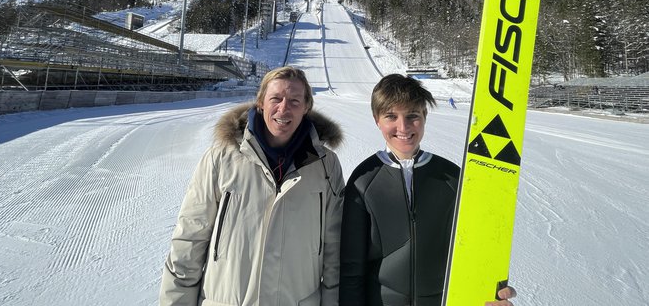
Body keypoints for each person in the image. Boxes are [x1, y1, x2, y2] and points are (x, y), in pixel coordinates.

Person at [159, 66, 345, 306]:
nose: (283, 108)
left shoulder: (326, 166)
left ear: (307, 107)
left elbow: (334, 248)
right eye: (275, 99)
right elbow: (190, 238)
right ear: (261, 103)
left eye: (295, 101)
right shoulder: (221, 158)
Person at [339, 74, 517, 306]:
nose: (403, 127)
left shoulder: (452, 178)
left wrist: (490, 291)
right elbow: (352, 269)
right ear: (377, 120)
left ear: (424, 116)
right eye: (391, 116)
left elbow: (477, 252)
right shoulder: (364, 181)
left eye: (412, 116)